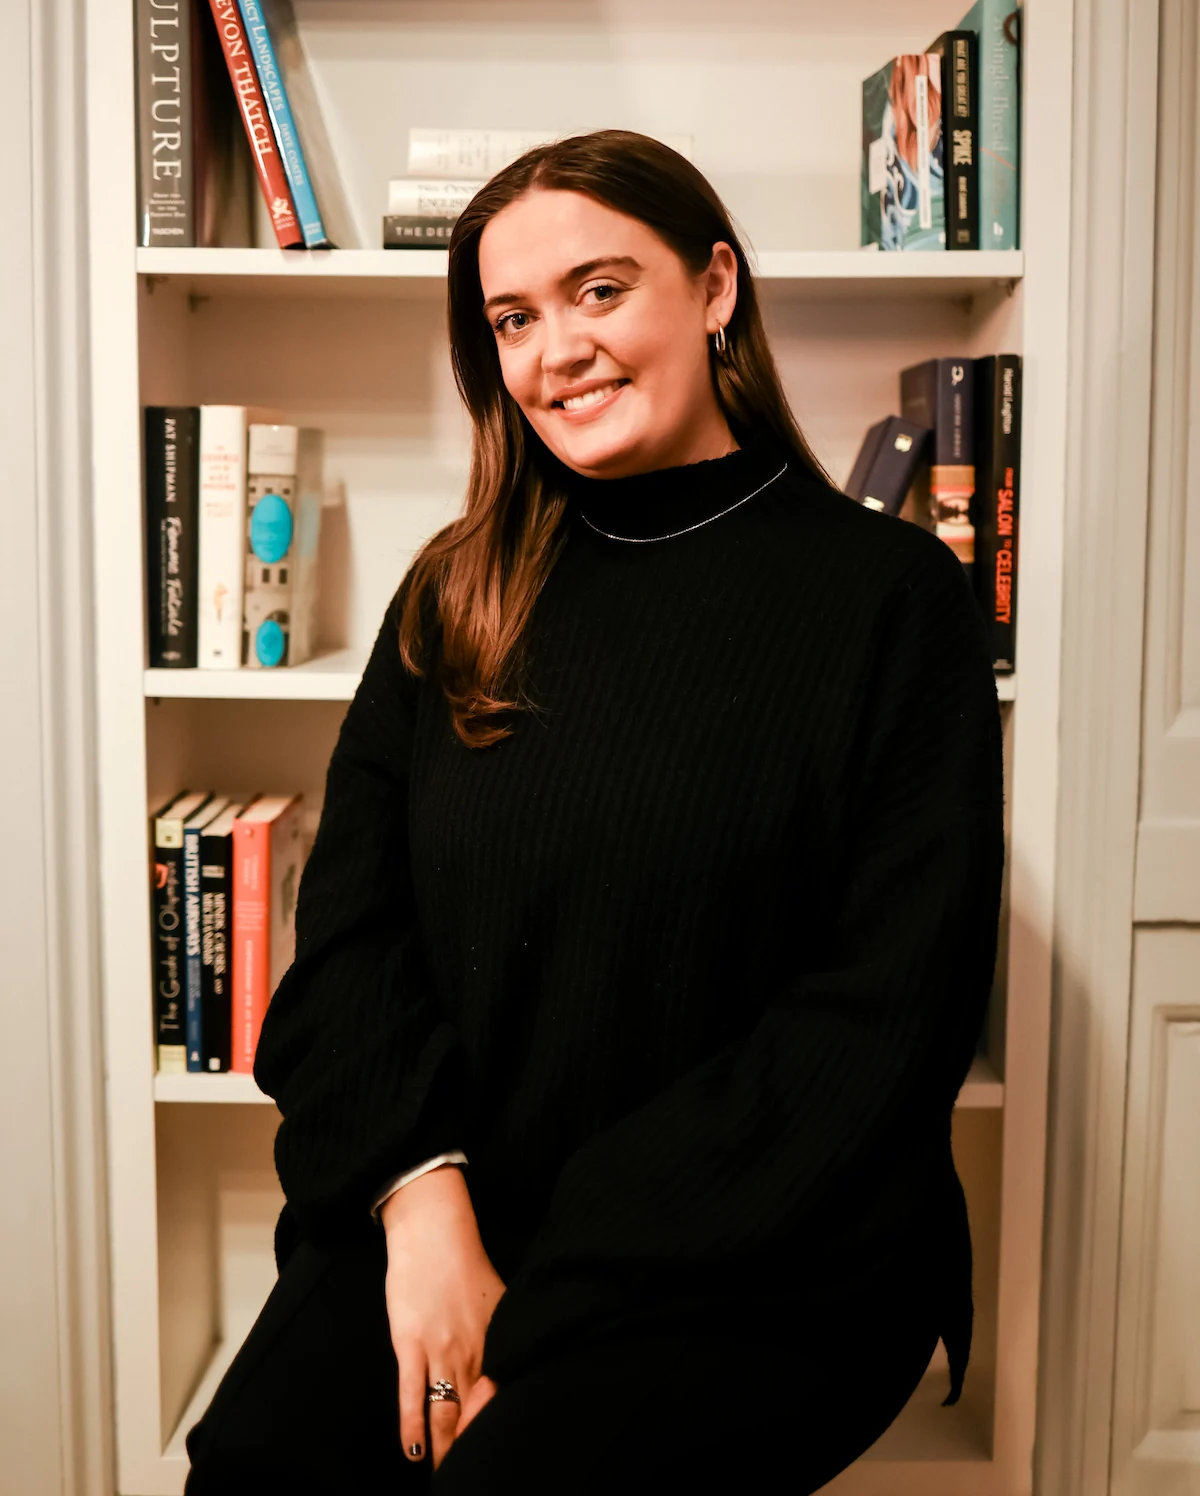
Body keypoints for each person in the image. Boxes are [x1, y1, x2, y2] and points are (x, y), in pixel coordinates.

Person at [184, 130, 1005, 1495]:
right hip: (449, 1201)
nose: (554, 348)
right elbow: (347, 953)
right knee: (257, 1470)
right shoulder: (456, 591)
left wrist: (542, 1289)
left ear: (718, 286)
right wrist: (420, 1201)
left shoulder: (891, 601)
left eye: (601, 290)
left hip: (772, 1247)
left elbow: (879, 1026)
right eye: (513, 318)